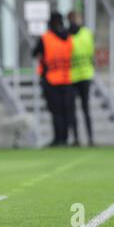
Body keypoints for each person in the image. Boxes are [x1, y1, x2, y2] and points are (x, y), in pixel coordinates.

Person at [32, 12, 75, 147]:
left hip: (51, 79)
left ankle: (58, 139)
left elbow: (35, 53)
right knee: (66, 111)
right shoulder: (68, 38)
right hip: (67, 78)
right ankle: (65, 138)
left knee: (56, 112)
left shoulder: (46, 38)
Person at [68, 11, 95, 147]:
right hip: (77, 75)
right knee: (78, 109)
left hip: (80, 75)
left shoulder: (70, 35)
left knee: (83, 109)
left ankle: (87, 138)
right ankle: (81, 138)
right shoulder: (86, 33)